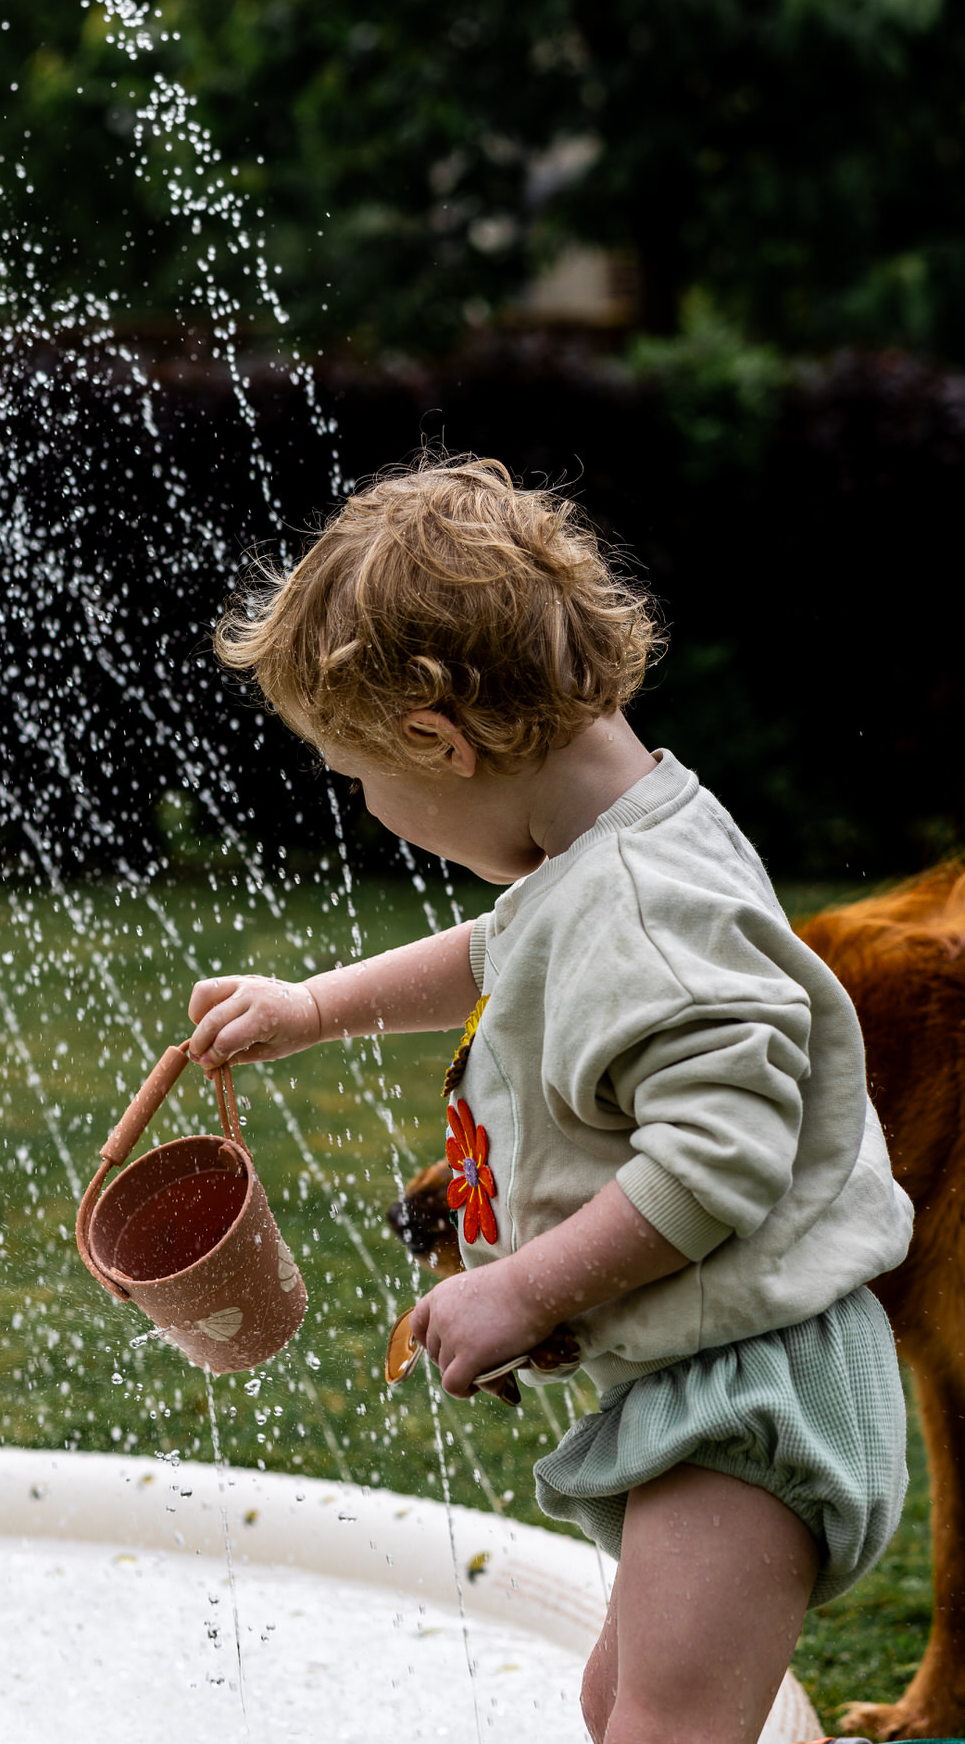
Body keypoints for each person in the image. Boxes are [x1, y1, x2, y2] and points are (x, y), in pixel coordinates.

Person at [185, 452, 913, 1744]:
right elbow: (499, 949)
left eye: (362, 782)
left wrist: (525, 1288)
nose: (370, 809)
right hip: (704, 1365)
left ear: (435, 739)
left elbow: (717, 1162)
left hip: (754, 1383)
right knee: (618, 1702)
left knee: (666, 1723)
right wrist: (314, 1008)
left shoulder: (653, 908)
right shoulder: (606, 859)